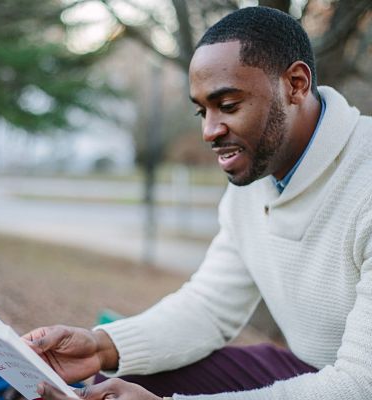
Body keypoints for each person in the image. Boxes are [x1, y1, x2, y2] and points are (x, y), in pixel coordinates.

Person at [25, 6, 372, 400]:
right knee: (120, 385)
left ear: (295, 84)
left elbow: (360, 384)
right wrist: (101, 345)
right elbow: (209, 307)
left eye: (228, 105)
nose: (209, 131)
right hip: (312, 368)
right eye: (201, 109)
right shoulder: (255, 181)